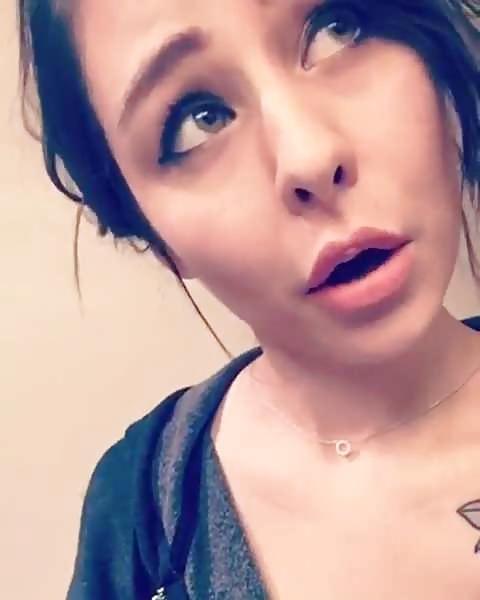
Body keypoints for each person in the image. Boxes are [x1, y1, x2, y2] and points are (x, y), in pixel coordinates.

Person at [18, 0, 480, 598]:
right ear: (154, 235)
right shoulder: (142, 522)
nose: (310, 156)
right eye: (199, 118)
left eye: (337, 28)